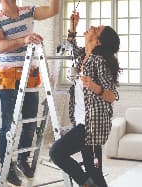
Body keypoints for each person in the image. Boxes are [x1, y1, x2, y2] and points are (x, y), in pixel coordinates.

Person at [0, 0, 62, 186]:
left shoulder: (28, 11)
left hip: (30, 76)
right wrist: (24, 39)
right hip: (9, 78)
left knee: (29, 122)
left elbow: (52, 10)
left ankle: (22, 160)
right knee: (8, 125)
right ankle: (7, 167)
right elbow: (0, 46)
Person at [49, 11, 121, 187]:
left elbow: (112, 95)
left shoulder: (99, 62)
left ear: (98, 42)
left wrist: (95, 87)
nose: (91, 27)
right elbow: (72, 45)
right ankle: (90, 183)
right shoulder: (83, 57)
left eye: (96, 29)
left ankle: (86, 184)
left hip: (91, 126)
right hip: (82, 122)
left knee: (56, 152)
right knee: (94, 171)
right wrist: (73, 26)